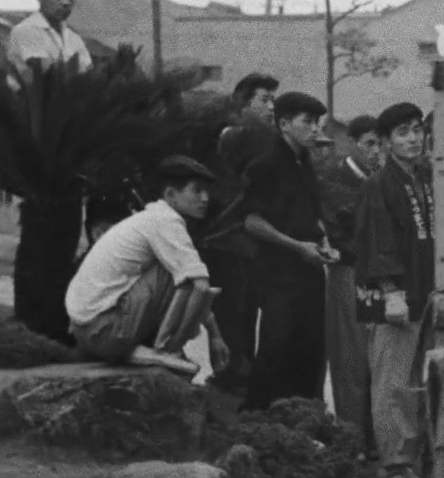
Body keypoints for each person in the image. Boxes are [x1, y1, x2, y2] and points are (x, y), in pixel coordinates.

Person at [65, 156, 230, 378]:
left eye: (206, 191)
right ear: (171, 194)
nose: (205, 198)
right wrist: (194, 340)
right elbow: (199, 286)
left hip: (86, 331)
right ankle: (168, 350)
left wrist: (215, 335)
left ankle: (156, 350)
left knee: (180, 270)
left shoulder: (150, 218)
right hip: (106, 332)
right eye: (197, 191)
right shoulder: (165, 221)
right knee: (182, 275)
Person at [355, 102, 435, 478]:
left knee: (415, 383)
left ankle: (408, 462)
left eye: (417, 130)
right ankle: (391, 470)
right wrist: (391, 293)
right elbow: (377, 240)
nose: (413, 138)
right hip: (393, 299)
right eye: (402, 133)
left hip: (422, 293)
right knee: (391, 385)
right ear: (386, 142)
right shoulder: (378, 184)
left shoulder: (422, 178)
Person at [240, 91, 336, 408]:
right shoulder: (265, 165)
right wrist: (297, 247)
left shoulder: (305, 162)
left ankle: (304, 420)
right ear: (284, 124)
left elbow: (313, 215)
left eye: (317, 122)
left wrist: (324, 242)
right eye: (307, 121)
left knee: (310, 350)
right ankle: (259, 420)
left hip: (310, 272)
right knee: (275, 349)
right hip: (277, 276)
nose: (315, 129)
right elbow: (252, 221)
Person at [200, 73, 279, 394]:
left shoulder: (256, 137)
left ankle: (243, 382)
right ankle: (232, 382)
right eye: (264, 100)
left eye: (273, 100)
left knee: (247, 315)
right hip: (226, 240)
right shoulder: (232, 136)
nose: (271, 107)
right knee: (232, 317)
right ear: (243, 104)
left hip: (249, 243)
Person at [320, 114, 380, 451]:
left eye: (379, 145)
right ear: (353, 143)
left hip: (375, 273)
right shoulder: (335, 177)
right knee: (349, 358)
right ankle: (351, 437)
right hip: (348, 270)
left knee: (374, 357)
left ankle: (372, 438)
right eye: (369, 144)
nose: (375, 151)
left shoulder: (378, 177)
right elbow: (337, 231)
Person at [6, 0, 93, 72]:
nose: (66, 2)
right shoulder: (25, 31)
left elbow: (89, 71)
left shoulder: (73, 36)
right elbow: (49, 73)